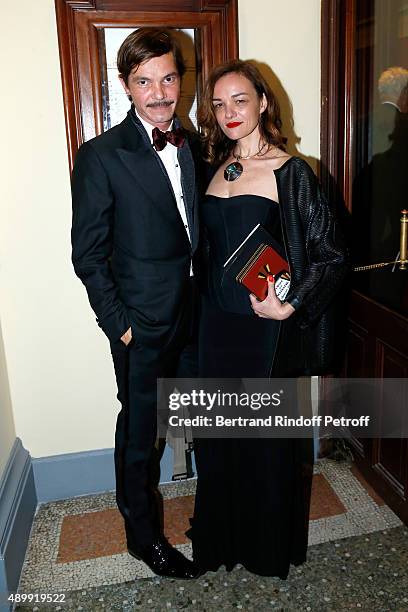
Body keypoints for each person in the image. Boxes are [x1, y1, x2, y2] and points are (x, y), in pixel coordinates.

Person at [190, 60, 349, 578]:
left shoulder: (292, 171)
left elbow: (330, 254)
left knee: (262, 442)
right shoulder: (211, 168)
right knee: (220, 438)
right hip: (216, 328)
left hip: (265, 330)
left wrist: (291, 304)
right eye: (219, 103)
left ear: (262, 102)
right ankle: (222, 539)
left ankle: (263, 547)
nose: (229, 112)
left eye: (240, 99)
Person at [71, 28, 202, 579]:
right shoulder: (102, 155)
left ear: (180, 80)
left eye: (168, 78)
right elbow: (88, 254)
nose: (158, 92)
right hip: (142, 327)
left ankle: (213, 518)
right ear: (125, 86)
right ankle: (142, 538)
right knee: (141, 435)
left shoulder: (194, 143)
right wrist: (120, 326)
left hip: (199, 316)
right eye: (144, 81)